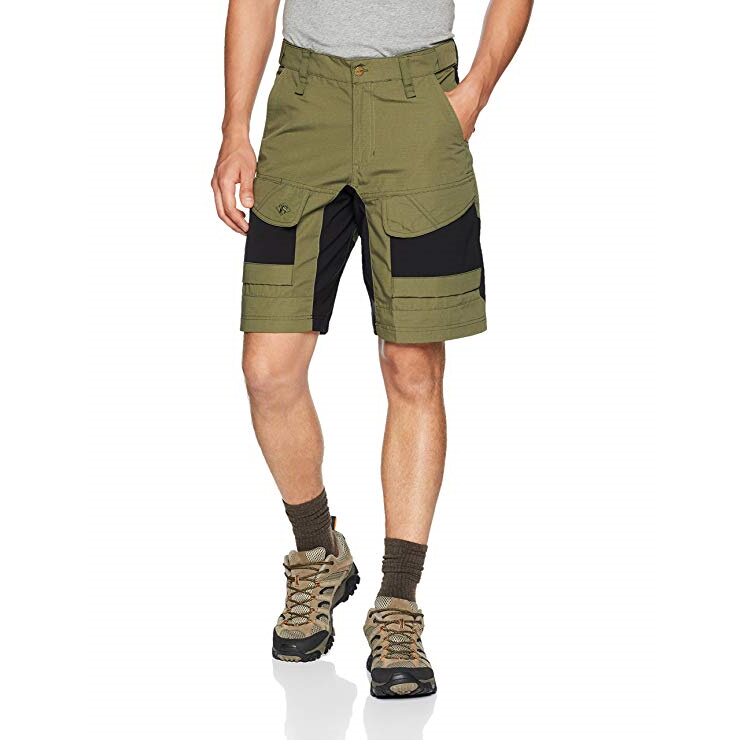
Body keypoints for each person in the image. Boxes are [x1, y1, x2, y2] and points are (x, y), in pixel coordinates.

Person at [211, 0, 533, 699]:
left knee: (411, 366)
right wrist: (236, 127)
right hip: (304, 108)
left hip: (418, 108)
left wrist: (476, 90)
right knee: (267, 370)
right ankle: (318, 550)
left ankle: (398, 602)